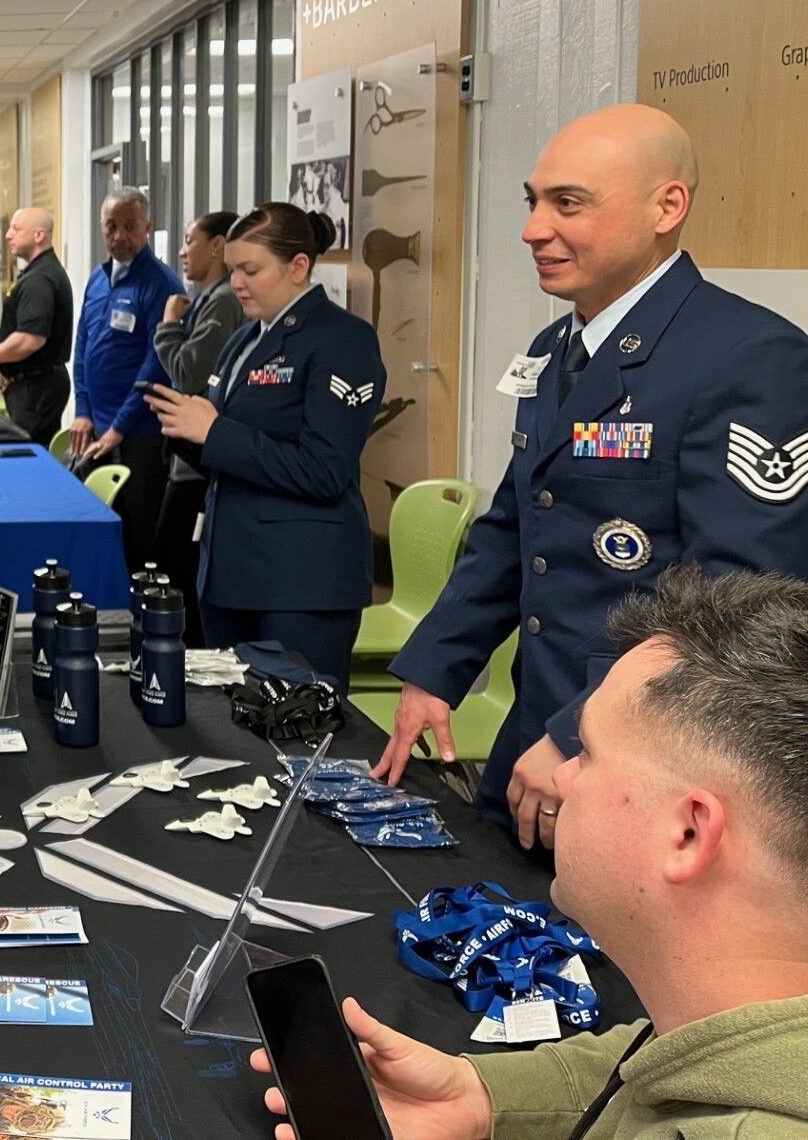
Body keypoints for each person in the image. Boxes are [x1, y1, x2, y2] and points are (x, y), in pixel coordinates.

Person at [378, 104, 808, 846]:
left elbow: (736, 604)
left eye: (567, 203)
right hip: (533, 745)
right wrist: (434, 671)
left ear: (667, 207)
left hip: (647, 772)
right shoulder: (557, 346)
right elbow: (515, 527)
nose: (531, 229)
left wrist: (582, 733)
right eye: (532, 201)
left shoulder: (748, 357)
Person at [254, 566, 808, 1140]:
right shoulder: (733, 1029)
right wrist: (482, 1097)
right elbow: (666, 1061)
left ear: (688, 834)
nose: (564, 778)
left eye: (587, 753)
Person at [144, 204, 384, 690]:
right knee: (237, 734)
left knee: (299, 736)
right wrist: (185, 430)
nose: (237, 283)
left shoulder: (343, 340)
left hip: (300, 586)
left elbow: (324, 470)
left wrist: (214, 432)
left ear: (298, 267)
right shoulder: (243, 341)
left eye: (251, 270)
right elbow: (229, 455)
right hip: (232, 574)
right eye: (232, 270)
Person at [145, 210, 247, 648]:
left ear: (218, 245)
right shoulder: (209, 299)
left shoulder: (224, 300)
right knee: (172, 563)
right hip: (187, 457)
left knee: (174, 567)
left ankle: (184, 664)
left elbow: (188, 374)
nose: (183, 251)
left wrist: (168, 325)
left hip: (200, 464)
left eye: (191, 240)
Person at [74, 187, 187, 570]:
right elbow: (83, 347)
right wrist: (83, 410)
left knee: (141, 538)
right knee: (106, 531)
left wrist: (119, 427)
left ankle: (144, 621)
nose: (119, 236)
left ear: (148, 228)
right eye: (111, 226)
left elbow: (156, 364)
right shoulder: (98, 278)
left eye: (130, 226)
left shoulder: (162, 284)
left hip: (140, 434)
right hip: (99, 426)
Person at [0, 206, 73, 444]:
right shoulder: (40, 272)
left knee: (26, 453)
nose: (8, 234)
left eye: (16, 229)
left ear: (39, 236)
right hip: (36, 385)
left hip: (35, 388)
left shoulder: (39, 280)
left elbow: (31, 339)